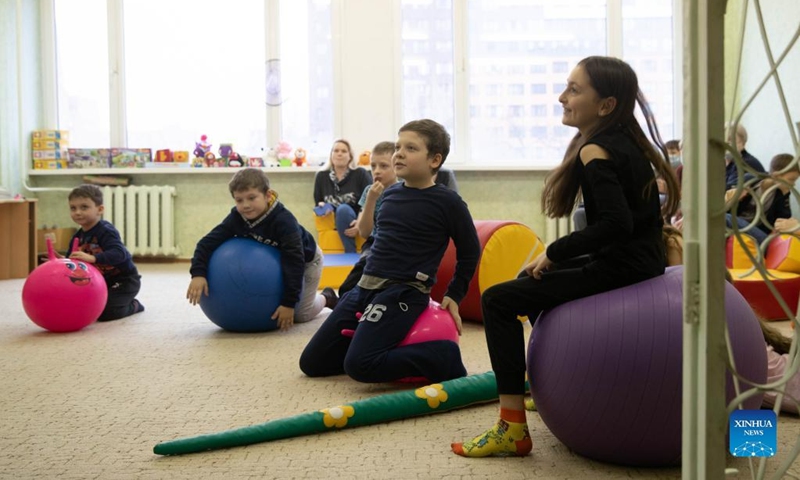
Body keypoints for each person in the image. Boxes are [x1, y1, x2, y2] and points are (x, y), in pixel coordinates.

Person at [451, 56, 680, 458]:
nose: (562, 96)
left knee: (497, 301)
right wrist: (551, 263)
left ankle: (511, 427)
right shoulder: (620, 141)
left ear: (605, 105)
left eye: (574, 90)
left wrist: (553, 253)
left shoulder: (596, 150)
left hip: (624, 263)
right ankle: (549, 385)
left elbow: (614, 225)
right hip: (637, 258)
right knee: (527, 285)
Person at [299, 119, 481, 384]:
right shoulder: (390, 194)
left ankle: (443, 355)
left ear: (434, 159)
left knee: (360, 366)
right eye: (398, 146)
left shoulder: (447, 201)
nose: (399, 153)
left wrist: (455, 293)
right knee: (312, 363)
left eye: (411, 148)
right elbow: (375, 244)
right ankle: (372, 344)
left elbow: (470, 250)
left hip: (403, 292)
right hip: (365, 287)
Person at [187, 168, 329, 330]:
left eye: (252, 198)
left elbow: (294, 261)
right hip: (280, 261)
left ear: (268, 195)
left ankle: (327, 297)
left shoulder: (284, 221)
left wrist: (289, 304)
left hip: (307, 260)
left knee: (300, 315)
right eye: (239, 200)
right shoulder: (237, 218)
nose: (245, 205)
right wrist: (198, 274)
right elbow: (206, 243)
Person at [330, 140, 399, 301]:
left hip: (396, 245)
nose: (377, 171)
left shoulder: (404, 190)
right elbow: (365, 232)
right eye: (373, 166)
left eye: (383, 166)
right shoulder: (370, 190)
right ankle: (339, 300)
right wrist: (371, 199)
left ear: (396, 167)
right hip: (375, 243)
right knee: (352, 283)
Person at [65, 184, 144, 321]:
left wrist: (93, 258)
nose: (77, 212)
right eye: (73, 208)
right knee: (81, 307)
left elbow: (120, 254)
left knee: (105, 312)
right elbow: (72, 260)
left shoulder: (106, 230)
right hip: (99, 283)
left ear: (99, 209)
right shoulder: (77, 237)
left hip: (124, 281)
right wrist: (60, 261)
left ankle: (135, 305)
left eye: (84, 207)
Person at [725, 153, 800, 244]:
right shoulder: (750, 180)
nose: (793, 184)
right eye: (791, 179)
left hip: (760, 237)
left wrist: (784, 197)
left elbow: (782, 222)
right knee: (725, 219)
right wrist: (732, 197)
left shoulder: (781, 194)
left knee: (726, 218)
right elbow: (722, 195)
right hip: (738, 227)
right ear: (776, 176)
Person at [313, 139, 373, 253]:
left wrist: (360, 222)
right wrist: (322, 206)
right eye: (336, 151)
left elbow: (369, 201)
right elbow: (318, 201)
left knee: (343, 209)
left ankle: (350, 254)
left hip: (358, 218)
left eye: (344, 151)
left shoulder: (360, 173)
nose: (339, 154)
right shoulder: (321, 176)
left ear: (350, 156)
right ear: (331, 155)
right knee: (342, 210)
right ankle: (350, 255)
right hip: (333, 220)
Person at [725, 122, 766, 189]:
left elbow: (726, 192)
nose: (726, 144)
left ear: (743, 143)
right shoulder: (724, 163)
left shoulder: (746, 163)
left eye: (730, 140)